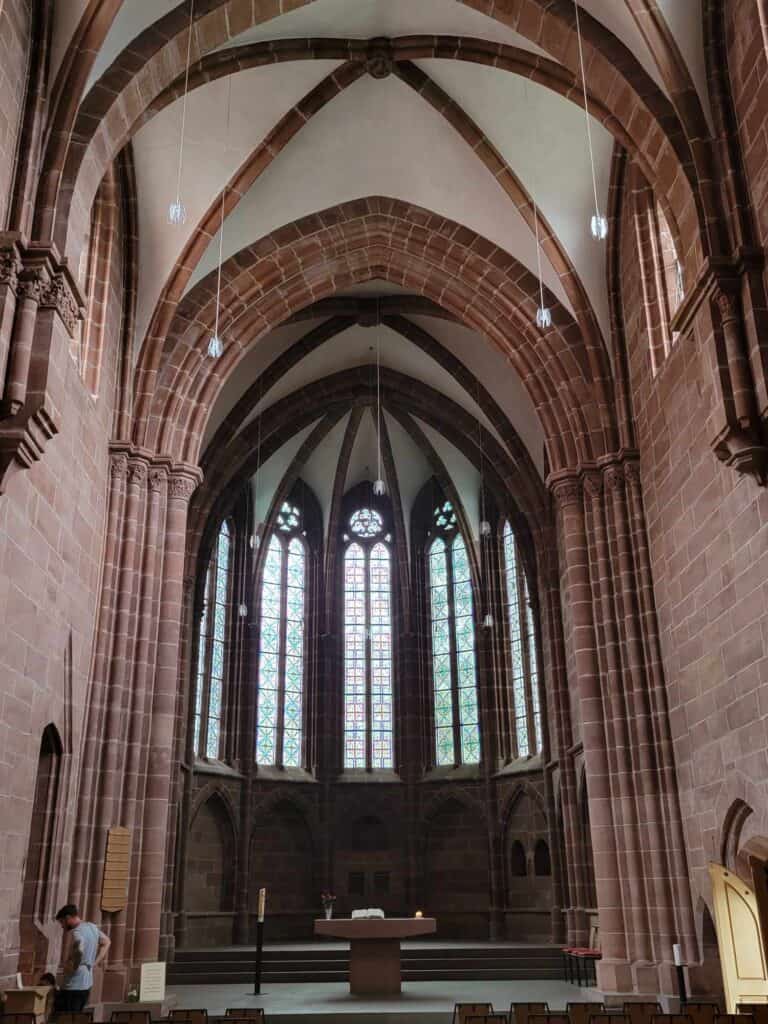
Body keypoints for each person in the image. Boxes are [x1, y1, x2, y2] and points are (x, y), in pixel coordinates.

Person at [55, 904, 110, 1011]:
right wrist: (95, 963)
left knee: (67, 1017)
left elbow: (79, 949)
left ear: (68, 918)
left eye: (62, 922)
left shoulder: (77, 932)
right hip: (87, 981)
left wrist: (71, 968)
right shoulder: (91, 927)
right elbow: (107, 942)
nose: (62, 926)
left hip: (74, 984)